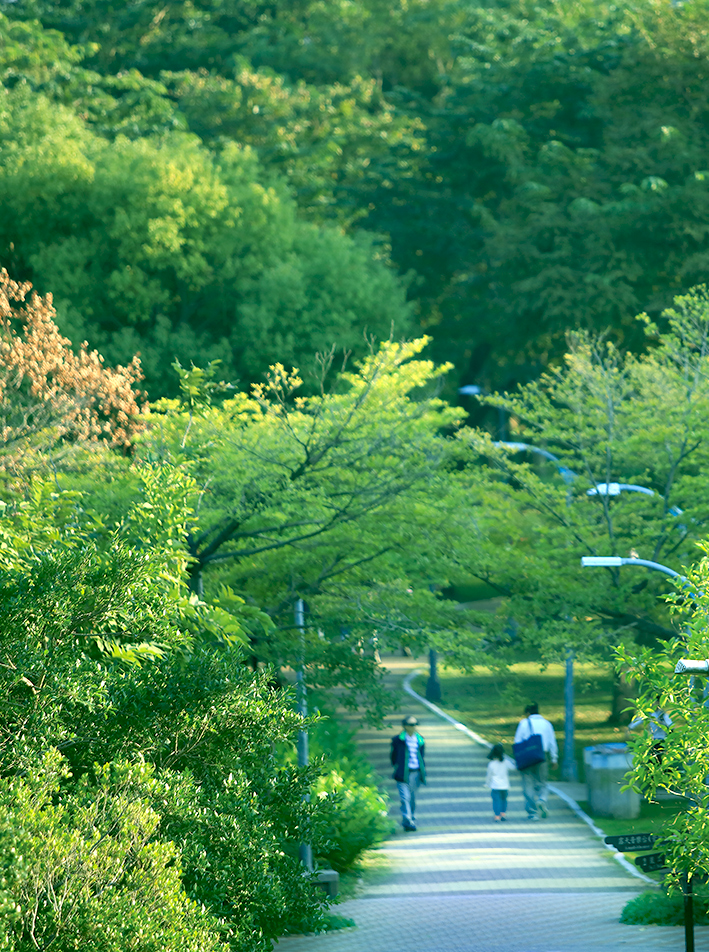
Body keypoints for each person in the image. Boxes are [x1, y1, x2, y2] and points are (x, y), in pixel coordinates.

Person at [514, 702, 558, 820]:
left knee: (527, 784)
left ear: (528, 712)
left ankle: (533, 813)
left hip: (526, 757)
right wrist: (554, 758)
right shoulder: (546, 724)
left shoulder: (523, 723)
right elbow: (552, 743)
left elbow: (517, 741)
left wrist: (517, 760)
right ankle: (542, 799)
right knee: (542, 782)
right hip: (541, 756)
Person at [391, 715, 426, 831]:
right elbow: (393, 756)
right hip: (403, 773)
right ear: (405, 726)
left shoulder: (420, 740)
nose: (414, 727)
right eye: (411, 724)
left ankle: (411, 816)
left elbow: (422, 756)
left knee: (412, 798)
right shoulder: (398, 740)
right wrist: (399, 765)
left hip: (416, 773)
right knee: (404, 798)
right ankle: (407, 821)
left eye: (416, 724)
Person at [486, 743, 510, 821]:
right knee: (504, 800)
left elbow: (489, 776)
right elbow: (514, 766)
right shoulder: (506, 762)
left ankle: (497, 816)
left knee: (496, 801)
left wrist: (487, 784)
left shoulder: (491, 764)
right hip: (505, 785)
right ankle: (503, 814)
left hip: (495, 786)